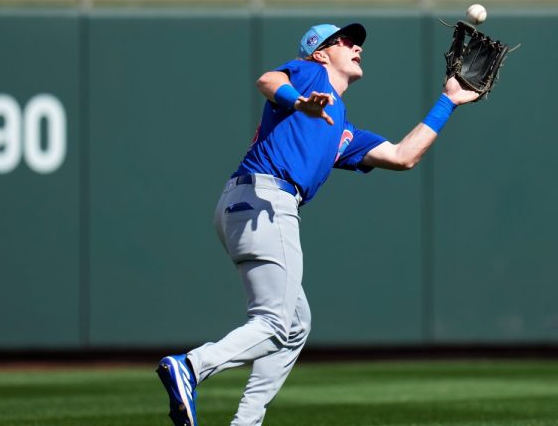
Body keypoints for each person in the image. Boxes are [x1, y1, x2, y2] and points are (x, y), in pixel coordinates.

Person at [156, 22, 480, 426]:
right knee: (275, 322)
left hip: (247, 204)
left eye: (357, 42)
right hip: (266, 199)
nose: (355, 46)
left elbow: (402, 156)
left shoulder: (339, 129)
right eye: (344, 41)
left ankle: (246, 420)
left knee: (293, 326)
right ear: (320, 52)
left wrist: (447, 101)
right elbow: (268, 79)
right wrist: (298, 102)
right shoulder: (311, 74)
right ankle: (190, 367)